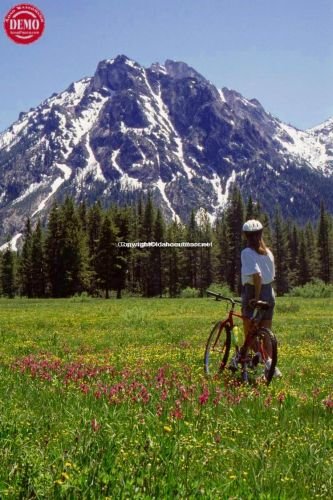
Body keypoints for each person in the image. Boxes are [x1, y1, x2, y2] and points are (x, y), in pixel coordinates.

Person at [230, 219, 281, 377]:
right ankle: (271, 366)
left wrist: (256, 298)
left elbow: (257, 275)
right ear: (260, 234)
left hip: (253, 292)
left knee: (249, 333)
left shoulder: (247, 252)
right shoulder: (268, 253)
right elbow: (269, 276)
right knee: (266, 333)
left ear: (246, 236)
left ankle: (260, 359)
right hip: (269, 292)